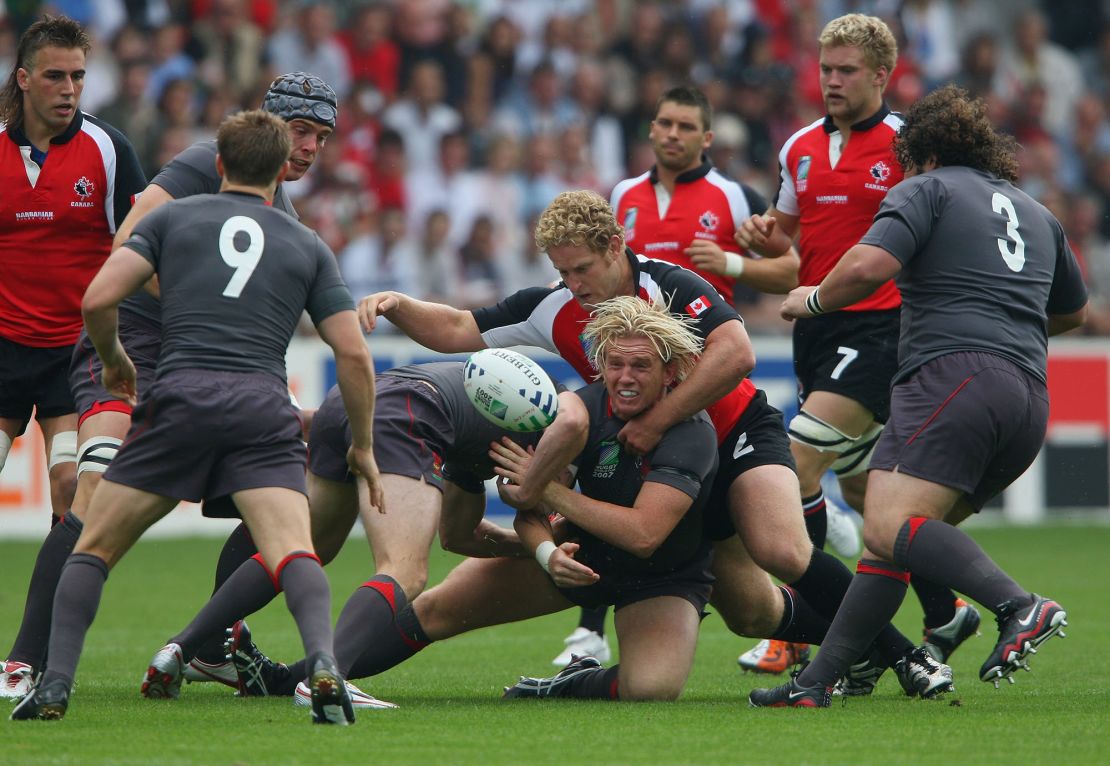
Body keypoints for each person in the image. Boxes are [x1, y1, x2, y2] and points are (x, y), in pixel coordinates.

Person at [353, 190, 932, 696]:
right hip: (651, 465)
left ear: (613, 245)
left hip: (734, 438)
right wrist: (399, 305)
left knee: (780, 553)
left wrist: (659, 421)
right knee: (750, 612)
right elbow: (458, 328)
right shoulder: (556, 305)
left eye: (581, 269)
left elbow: (737, 355)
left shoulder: (671, 282)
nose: (573, 286)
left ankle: (905, 654)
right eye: (562, 272)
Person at [10, 109, 383, 725]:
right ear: (277, 175)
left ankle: (53, 684)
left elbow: (98, 296)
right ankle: (321, 665)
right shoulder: (306, 244)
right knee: (294, 552)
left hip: (179, 400)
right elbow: (353, 356)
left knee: (94, 547)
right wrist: (362, 445)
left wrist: (113, 361)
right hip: (262, 409)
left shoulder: (174, 219)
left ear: (217, 166)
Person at [749, 85, 1087, 708]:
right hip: (1028, 397)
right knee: (892, 540)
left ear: (921, 153)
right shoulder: (1039, 214)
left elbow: (869, 266)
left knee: (888, 521)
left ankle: (1021, 606)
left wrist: (813, 298)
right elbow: (1072, 312)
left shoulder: (925, 188)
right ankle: (818, 684)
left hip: (951, 376)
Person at [250, 296, 721, 701]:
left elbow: (644, 534)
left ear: (671, 371)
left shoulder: (691, 433)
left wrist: (551, 491)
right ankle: (291, 679)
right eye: (615, 364)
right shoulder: (580, 412)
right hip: (581, 554)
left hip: (666, 573)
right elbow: (529, 511)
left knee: (652, 689)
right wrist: (545, 550)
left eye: (641, 366)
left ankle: (567, 684)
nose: (625, 377)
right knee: (436, 610)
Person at [735, 13, 976, 678]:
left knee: (796, 466)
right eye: (826, 69)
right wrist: (762, 238)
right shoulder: (799, 147)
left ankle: (813, 631)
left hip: (882, 326)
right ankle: (945, 610)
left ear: (881, 75)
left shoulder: (907, 146)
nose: (832, 81)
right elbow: (787, 233)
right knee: (872, 495)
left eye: (846, 71)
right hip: (817, 329)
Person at [157, 359, 586, 708]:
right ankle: (327, 679)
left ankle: (182, 649)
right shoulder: (562, 423)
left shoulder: (487, 440)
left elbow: (458, 536)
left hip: (352, 400)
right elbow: (565, 430)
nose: (549, 507)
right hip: (410, 409)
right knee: (405, 570)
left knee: (304, 547)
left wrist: (531, 549)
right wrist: (538, 496)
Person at [605, 83, 857, 675]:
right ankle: (592, 633)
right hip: (645, 379)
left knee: (762, 543)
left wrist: (735, 265)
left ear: (707, 138)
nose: (671, 134)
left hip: (709, 385)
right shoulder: (622, 196)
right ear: (651, 129)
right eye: (663, 123)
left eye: (685, 127)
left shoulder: (733, 196)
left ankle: (834, 623)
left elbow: (794, 267)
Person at [0, 16, 146, 700]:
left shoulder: (109, 150)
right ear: (24, 79)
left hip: (76, 358)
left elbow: (142, 248)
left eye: (78, 77)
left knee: (71, 492)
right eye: (55, 76)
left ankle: (30, 658)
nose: (68, 90)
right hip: (2, 354)